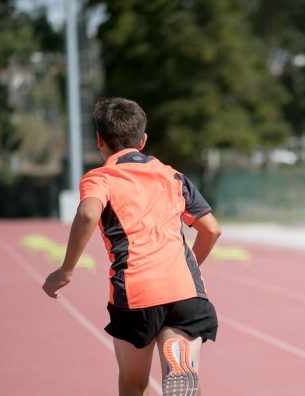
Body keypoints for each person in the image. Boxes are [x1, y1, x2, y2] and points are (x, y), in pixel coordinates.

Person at [42, 97, 221, 396]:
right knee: (183, 371)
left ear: (100, 140)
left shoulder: (101, 178)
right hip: (185, 290)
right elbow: (212, 230)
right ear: (143, 139)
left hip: (136, 293)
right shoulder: (172, 175)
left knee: (133, 382)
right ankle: (178, 357)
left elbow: (87, 213)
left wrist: (66, 270)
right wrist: (190, 268)